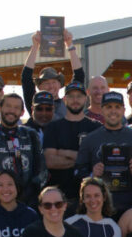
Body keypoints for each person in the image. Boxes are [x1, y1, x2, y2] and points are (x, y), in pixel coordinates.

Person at [75, 91, 132, 215]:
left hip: (131, 207)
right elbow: (77, 173)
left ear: (124, 110)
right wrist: (92, 175)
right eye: (109, 107)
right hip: (99, 208)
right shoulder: (90, 139)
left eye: (117, 107)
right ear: (102, 110)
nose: (113, 111)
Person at [0, 93, 46, 206]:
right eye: (8, 106)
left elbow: (42, 170)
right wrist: (6, 193)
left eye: (16, 107)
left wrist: (28, 192)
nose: (12, 110)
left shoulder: (31, 134)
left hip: (29, 202)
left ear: (22, 112)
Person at [41, 81, 102, 210]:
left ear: (85, 99)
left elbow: (96, 160)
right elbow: (50, 161)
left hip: (89, 199)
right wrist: (82, 159)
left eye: (79, 96)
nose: (75, 100)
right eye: (71, 96)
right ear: (64, 99)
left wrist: (64, 153)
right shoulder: (53, 127)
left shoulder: (96, 128)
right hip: (59, 198)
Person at [21, 29, 85, 120]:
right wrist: (35, 46)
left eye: (54, 82)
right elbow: (26, 78)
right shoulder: (34, 103)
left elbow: (79, 76)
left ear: (60, 84)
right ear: (39, 87)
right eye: (46, 83)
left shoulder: (70, 103)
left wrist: (69, 45)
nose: (51, 86)